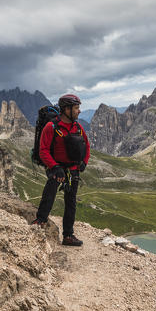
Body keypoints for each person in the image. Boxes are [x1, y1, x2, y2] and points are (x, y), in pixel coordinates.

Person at [32, 94, 90, 246]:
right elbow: (43, 150)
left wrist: (84, 162)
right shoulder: (51, 127)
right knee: (49, 194)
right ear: (67, 109)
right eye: (76, 108)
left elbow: (87, 145)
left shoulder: (77, 127)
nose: (79, 111)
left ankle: (68, 236)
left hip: (73, 169)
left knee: (71, 202)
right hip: (56, 168)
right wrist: (55, 167)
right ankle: (41, 220)